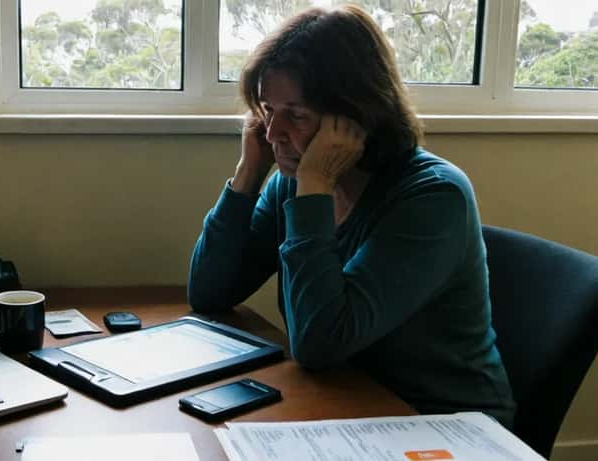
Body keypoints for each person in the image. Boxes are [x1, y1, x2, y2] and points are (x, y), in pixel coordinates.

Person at [187, 4, 515, 428]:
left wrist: (315, 188)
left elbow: (320, 343)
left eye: (297, 114)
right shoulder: (296, 181)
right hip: (351, 401)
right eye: (268, 110)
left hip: (441, 423)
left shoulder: (434, 196)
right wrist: (248, 175)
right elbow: (210, 293)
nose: (272, 133)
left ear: (357, 113)